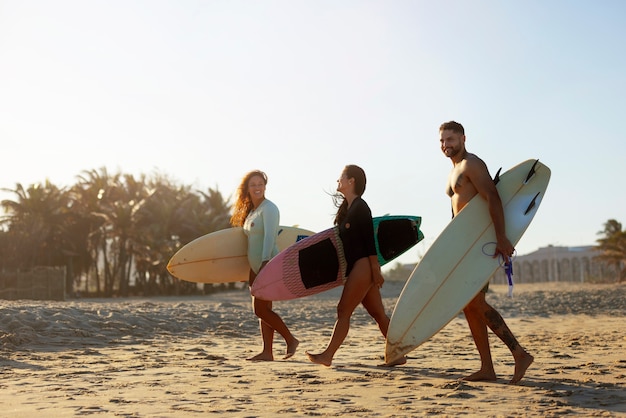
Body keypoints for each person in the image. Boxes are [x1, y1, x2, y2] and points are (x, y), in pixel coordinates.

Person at [439, 120, 534, 384]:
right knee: (470, 306)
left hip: (479, 245)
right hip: (463, 246)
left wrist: (501, 237)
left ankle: (519, 354)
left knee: (475, 303)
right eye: (442, 141)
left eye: (451, 139)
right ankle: (487, 368)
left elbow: (492, 196)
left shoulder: (472, 164)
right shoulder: (453, 171)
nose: (446, 145)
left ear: (463, 138)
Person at [306, 165, 406, 367]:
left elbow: (370, 242)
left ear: (351, 181)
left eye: (341, 177)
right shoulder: (349, 209)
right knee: (378, 314)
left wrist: (375, 271)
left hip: (363, 266)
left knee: (343, 310)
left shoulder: (361, 207)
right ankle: (398, 355)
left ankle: (328, 355)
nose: (338, 180)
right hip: (356, 267)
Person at [230, 170, 299, 361]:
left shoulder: (270, 208)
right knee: (264, 309)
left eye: (260, 184)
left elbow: (270, 236)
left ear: (265, 186)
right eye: (253, 184)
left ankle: (290, 340)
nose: (257, 187)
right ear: (247, 188)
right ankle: (267, 352)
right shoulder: (253, 212)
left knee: (260, 309)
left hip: (266, 264)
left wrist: (265, 263)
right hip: (255, 266)